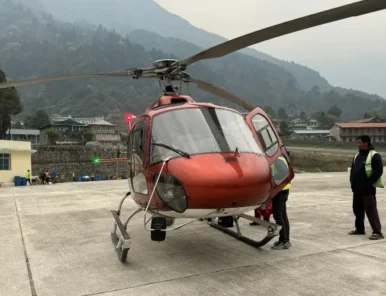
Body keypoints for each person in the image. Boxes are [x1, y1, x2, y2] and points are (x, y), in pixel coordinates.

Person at [349, 135, 384, 240]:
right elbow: (353, 170)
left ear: (366, 143)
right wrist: (352, 182)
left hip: (368, 188)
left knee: (371, 210)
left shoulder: (374, 155)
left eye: (359, 142)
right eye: (357, 142)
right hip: (357, 188)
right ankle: (359, 229)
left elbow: (378, 171)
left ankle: (377, 232)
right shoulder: (357, 155)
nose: (358, 144)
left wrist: (368, 183)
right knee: (357, 209)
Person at [271, 154, 292, 250]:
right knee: (283, 215)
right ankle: (284, 239)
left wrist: (272, 177)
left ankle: (284, 241)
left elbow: (283, 173)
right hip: (283, 189)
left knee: (278, 216)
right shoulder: (282, 158)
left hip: (280, 190)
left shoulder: (278, 159)